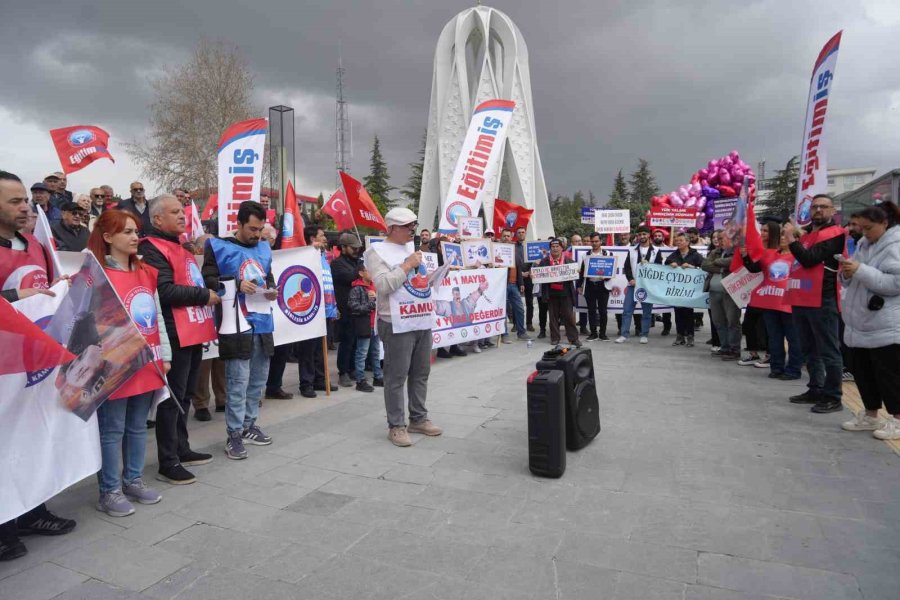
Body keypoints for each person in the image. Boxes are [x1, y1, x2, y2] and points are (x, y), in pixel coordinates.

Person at [0, 170, 76, 562]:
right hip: (3, 370)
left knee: (32, 436)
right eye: (14, 201)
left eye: (24, 201)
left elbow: (45, 290)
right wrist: (16, 294)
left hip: (33, 365)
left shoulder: (34, 243)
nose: (24, 207)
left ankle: (33, 511)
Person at [86, 210, 171, 516]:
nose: (136, 237)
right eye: (127, 232)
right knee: (112, 430)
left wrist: (166, 356)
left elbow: (157, 316)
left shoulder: (146, 271)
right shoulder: (95, 275)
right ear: (107, 238)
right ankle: (109, 490)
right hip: (112, 364)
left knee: (137, 427)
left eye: (136, 231)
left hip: (147, 360)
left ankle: (133, 479)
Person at [139, 194, 219, 484]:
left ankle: (182, 449)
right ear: (157, 219)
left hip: (192, 331)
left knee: (185, 395)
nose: (182, 216)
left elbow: (189, 281)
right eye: (175, 212)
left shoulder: (179, 247)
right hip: (174, 333)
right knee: (171, 399)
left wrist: (210, 285)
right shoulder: (151, 248)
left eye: (182, 211)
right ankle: (168, 461)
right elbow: (163, 291)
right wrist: (204, 295)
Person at [203, 201, 277, 459]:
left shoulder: (265, 248)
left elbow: (269, 278)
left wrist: (272, 290)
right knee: (237, 381)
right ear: (239, 223)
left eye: (260, 229)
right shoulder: (218, 246)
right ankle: (234, 433)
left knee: (258, 379)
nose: (257, 235)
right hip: (235, 323)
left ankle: (249, 425)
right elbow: (208, 279)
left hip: (263, 322)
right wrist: (235, 283)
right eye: (252, 229)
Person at [365, 207, 443, 447]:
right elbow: (383, 285)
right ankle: (396, 425)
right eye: (408, 225)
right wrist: (408, 265)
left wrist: (436, 276)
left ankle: (418, 418)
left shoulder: (411, 248)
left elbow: (416, 282)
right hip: (395, 321)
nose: (413, 230)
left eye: (413, 225)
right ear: (392, 228)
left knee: (421, 373)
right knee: (396, 377)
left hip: (420, 318)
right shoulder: (375, 252)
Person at [838, 201, 900, 438]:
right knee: (864, 373)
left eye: (868, 228)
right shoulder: (864, 244)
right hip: (861, 322)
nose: (864, 233)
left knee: (890, 375)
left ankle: (897, 419)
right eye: (861, 228)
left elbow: (895, 283)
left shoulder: (895, 244)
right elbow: (857, 275)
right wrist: (847, 272)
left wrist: (860, 270)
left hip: (886, 323)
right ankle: (870, 415)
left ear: (884, 223)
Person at [782, 194, 846, 414]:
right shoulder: (808, 232)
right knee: (808, 349)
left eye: (823, 207)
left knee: (828, 350)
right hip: (801, 297)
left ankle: (833, 396)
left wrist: (792, 240)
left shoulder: (835, 234)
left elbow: (809, 259)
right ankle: (815, 388)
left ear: (832, 211)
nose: (818, 210)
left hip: (822, 299)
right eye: (814, 206)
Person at [743, 223, 803, 380]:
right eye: (781, 235)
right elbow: (754, 269)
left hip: (790, 304)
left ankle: (793, 369)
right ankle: (776, 367)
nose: (783, 238)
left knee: (793, 338)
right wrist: (744, 256)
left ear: (796, 239)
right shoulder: (769, 253)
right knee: (774, 337)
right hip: (770, 302)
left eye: (787, 235)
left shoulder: (800, 257)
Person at [617, 226, 662, 344]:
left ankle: (644, 334)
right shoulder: (632, 250)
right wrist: (630, 279)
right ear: (637, 236)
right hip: (633, 285)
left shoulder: (656, 251)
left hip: (647, 287)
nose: (642, 236)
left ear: (648, 235)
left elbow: (659, 269)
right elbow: (626, 267)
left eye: (644, 234)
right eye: (640, 234)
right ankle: (624, 334)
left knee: (646, 312)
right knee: (627, 310)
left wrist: (650, 268)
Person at [702, 231, 741, 360]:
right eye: (718, 238)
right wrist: (723, 267)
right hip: (714, 292)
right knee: (718, 321)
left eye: (722, 238)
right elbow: (705, 265)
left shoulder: (737, 251)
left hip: (730, 292)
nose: (719, 240)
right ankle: (724, 347)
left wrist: (718, 262)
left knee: (732, 321)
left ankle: (734, 349)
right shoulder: (715, 251)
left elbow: (734, 262)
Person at [536, 238, 581, 347]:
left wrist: (577, 271)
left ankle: (573, 338)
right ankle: (555, 338)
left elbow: (576, 274)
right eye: (553, 247)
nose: (555, 248)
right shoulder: (544, 261)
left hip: (566, 293)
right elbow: (537, 276)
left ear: (562, 248)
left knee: (569, 317)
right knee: (553, 317)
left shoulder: (569, 261)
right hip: (551, 294)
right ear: (550, 249)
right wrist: (534, 275)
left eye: (557, 246)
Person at [332, 232, 363, 387]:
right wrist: (360, 270)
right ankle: (343, 371)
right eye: (353, 248)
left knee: (356, 340)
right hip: (345, 307)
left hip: (358, 307)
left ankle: (352, 368)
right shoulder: (337, 264)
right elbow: (349, 277)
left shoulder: (356, 261)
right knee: (346, 341)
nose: (356, 250)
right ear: (343, 247)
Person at [348, 263, 384, 392]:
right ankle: (360, 380)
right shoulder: (356, 289)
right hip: (364, 325)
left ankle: (378, 377)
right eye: (368, 270)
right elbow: (353, 306)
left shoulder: (375, 287)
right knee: (361, 353)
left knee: (375, 352)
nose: (372, 273)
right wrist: (371, 304)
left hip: (374, 325)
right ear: (361, 273)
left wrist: (377, 299)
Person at [664, 232, 703, 346]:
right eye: (677, 240)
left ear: (687, 242)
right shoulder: (675, 254)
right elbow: (666, 262)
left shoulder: (695, 254)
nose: (678, 242)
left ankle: (690, 337)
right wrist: (671, 263)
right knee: (678, 313)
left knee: (688, 313)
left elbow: (704, 266)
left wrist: (693, 267)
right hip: (677, 289)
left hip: (690, 290)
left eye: (681, 240)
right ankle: (680, 336)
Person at [579, 232, 612, 341]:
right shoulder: (586, 255)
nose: (594, 243)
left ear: (601, 241)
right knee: (591, 311)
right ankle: (593, 333)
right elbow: (582, 272)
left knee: (603, 311)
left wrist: (606, 277)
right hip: (590, 286)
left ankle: (603, 333)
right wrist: (579, 285)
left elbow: (611, 270)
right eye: (592, 241)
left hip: (603, 286)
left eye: (596, 241)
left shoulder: (608, 253)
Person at [500, 227, 529, 342]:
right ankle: (504, 334)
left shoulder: (514, 249)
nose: (506, 238)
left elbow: (518, 267)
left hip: (514, 284)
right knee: (503, 311)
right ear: (501, 237)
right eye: (504, 236)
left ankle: (521, 332)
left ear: (511, 237)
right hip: (502, 285)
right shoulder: (497, 249)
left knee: (520, 309)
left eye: (508, 236)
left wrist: (521, 282)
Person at [516, 226, 536, 332]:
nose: (521, 234)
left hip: (529, 277)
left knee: (529, 302)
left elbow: (535, 261)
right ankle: (516, 324)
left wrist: (530, 271)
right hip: (517, 277)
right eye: (519, 232)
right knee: (515, 301)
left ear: (525, 233)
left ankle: (529, 323)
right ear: (516, 234)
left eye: (523, 232)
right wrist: (520, 273)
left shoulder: (530, 246)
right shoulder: (513, 247)